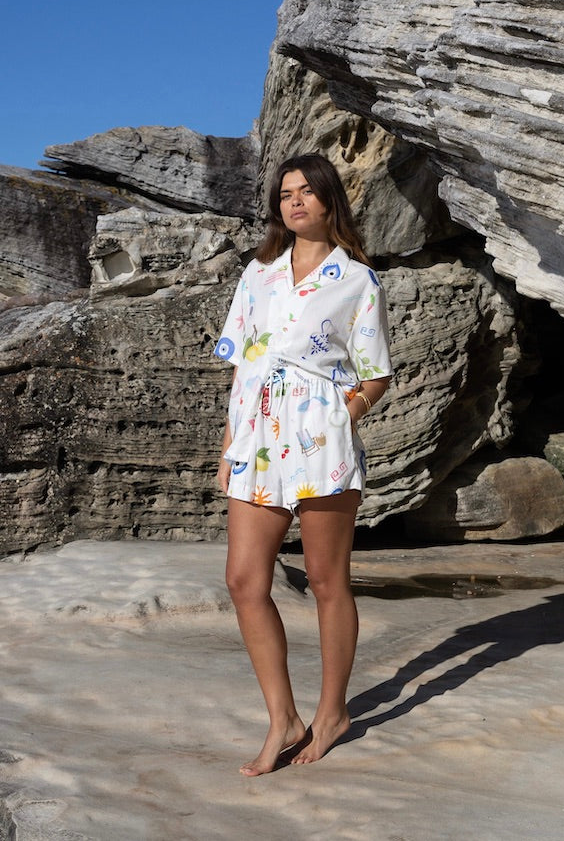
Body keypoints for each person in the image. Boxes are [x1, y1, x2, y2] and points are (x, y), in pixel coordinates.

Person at [214, 153, 392, 776]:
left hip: (321, 439)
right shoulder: (258, 274)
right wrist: (231, 443)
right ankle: (283, 719)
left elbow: (376, 372)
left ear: (328, 200)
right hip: (257, 437)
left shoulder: (358, 280)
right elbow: (243, 365)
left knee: (325, 581)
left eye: (306, 191)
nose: (294, 201)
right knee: (244, 581)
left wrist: (343, 416)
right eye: (285, 193)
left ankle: (332, 712)